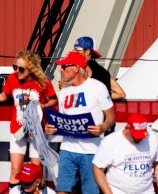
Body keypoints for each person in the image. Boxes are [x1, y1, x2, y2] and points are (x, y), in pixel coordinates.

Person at [0, 50, 58, 188]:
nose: (17, 71)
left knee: (36, 170)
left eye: (21, 68)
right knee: (15, 169)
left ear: (31, 68)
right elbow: (4, 96)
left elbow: (54, 100)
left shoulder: (42, 81)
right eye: (15, 67)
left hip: (37, 130)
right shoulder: (12, 78)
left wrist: (43, 105)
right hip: (18, 129)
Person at [45, 51, 115, 194]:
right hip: (67, 148)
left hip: (92, 150)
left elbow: (111, 117)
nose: (61, 70)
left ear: (76, 68)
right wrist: (52, 127)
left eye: (64, 67)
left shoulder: (98, 87)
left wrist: (102, 127)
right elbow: (62, 120)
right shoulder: (64, 92)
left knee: (90, 191)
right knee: (62, 190)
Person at [92, 113, 158, 194]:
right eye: (136, 136)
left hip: (147, 191)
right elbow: (97, 168)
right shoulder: (110, 141)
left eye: (142, 136)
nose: (139, 139)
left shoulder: (152, 138)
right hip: (118, 191)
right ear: (127, 128)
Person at [73, 36, 126, 101]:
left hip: (86, 108)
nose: (73, 51)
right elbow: (121, 94)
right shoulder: (104, 72)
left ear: (87, 52)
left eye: (77, 49)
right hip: (101, 109)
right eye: (74, 49)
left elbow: (80, 92)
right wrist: (101, 96)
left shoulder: (84, 67)